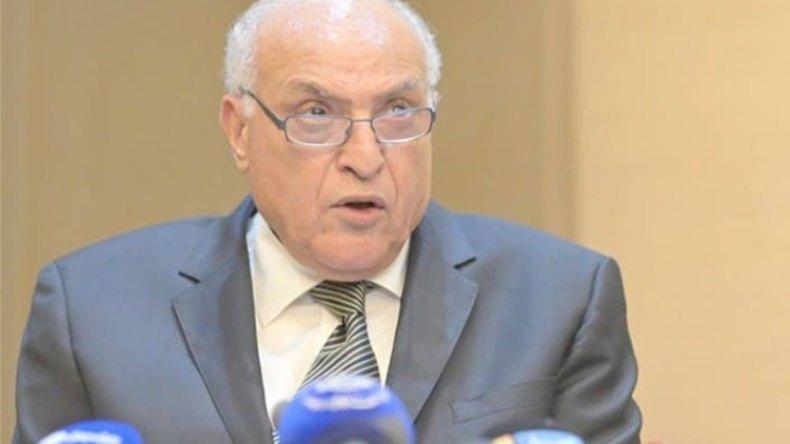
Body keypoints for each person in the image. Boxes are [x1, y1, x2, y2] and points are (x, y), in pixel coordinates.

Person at [14, 0, 642, 443]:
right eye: (316, 113)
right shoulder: (92, 313)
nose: (365, 157)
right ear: (239, 131)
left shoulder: (560, 300)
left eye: (398, 110)